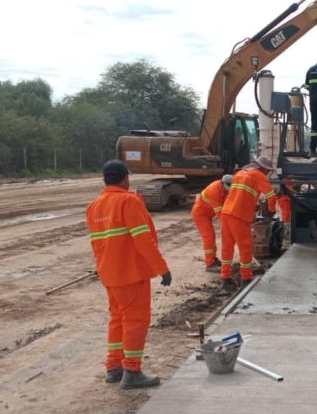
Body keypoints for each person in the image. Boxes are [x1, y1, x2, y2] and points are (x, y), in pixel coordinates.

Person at [86, 159, 171, 389]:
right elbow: (143, 240)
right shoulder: (128, 201)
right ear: (125, 178)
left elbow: (98, 245)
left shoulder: (94, 206)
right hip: (130, 274)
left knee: (118, 319)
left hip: (110, 275)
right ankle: (132, 371)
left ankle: (114, 367)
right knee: (135, 320)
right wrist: (162, 268)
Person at [220, 155, 276, 289]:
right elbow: (271, 195)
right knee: (245, 248)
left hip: (226, 214)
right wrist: (271, 210)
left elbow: (241, 195)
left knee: (227, 247)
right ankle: (246, 278)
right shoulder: (258, 176)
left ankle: (226, 279)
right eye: (268, 171)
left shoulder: (240, 173)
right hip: (239, 218)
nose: (268, 174)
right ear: (264, 169)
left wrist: (254, 207)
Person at [191, 175, 233, 272]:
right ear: (222, 183)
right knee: (209, 237)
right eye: (227, 188)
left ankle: (213, 259)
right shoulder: (213, 190)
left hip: (209, 213)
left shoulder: (225, 189)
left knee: (211, 237)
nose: (228, 190)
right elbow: (221, 215)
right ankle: (209, 264)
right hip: (200, 215)